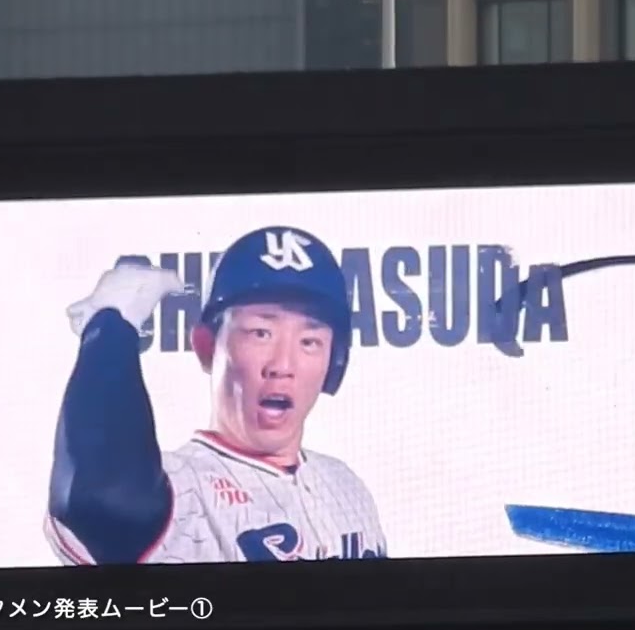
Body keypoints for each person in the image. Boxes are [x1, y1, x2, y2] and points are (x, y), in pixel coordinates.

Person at [44, 226, 387, 564]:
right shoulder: (178, 489)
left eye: (309, 342)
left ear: (334, 361)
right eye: (261, 333)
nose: (283, 365)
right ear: (207, 347)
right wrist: (110, 327)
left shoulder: (346, 485)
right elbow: (98, 497)